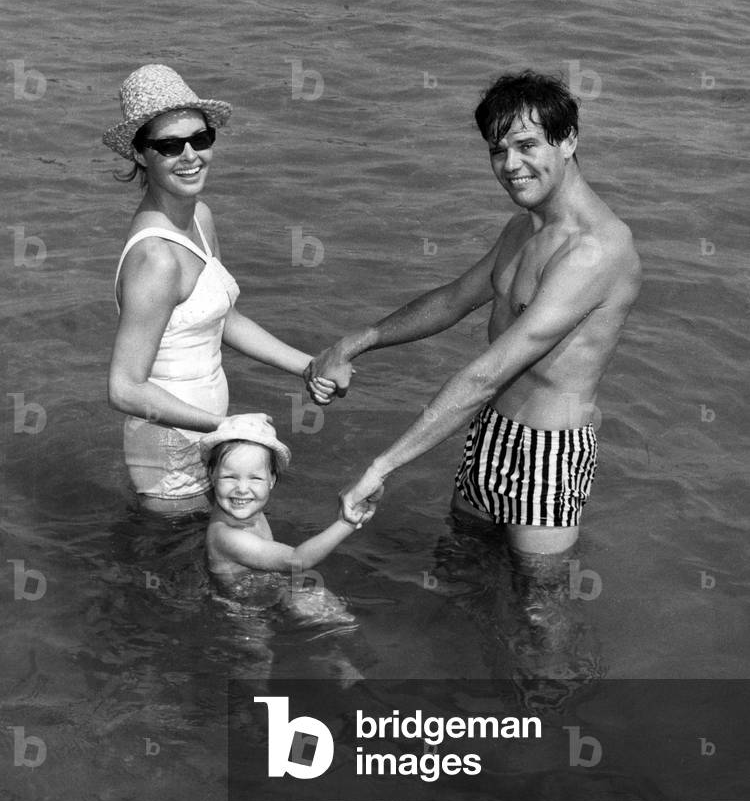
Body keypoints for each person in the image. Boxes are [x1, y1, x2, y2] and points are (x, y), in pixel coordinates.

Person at [306, 70, 642, 556]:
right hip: (492, 429)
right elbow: (454, 299)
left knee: (537, 609)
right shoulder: (522, 228)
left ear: (568, 140)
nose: (511, 164)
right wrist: (352, 343)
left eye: (527, 145)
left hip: (550, 451)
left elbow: (489, 372)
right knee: (462, 563)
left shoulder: (595, 251)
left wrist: (381, 467)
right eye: (497, 150)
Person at [104, 64, 333, 514]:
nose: (190, 155)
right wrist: (228, 426)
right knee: (180, 566)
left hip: (207, 436)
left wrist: (309, 366)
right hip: (169, 447)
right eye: (169, 146)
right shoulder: (156, 258)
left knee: (210, 563)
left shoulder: (200, 218)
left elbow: (222, 317)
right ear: (139, 154)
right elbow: (124, 388)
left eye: (201, 138)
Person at [201, 414, 376, 581]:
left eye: (255, 478)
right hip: (243, 607)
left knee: (326, 604)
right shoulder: (227, 536)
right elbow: (297, 561)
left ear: (271, 481)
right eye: (230, 477)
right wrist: (347, 523)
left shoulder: (240, 506)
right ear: (212, 475)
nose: (242, 489)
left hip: (266, 582)